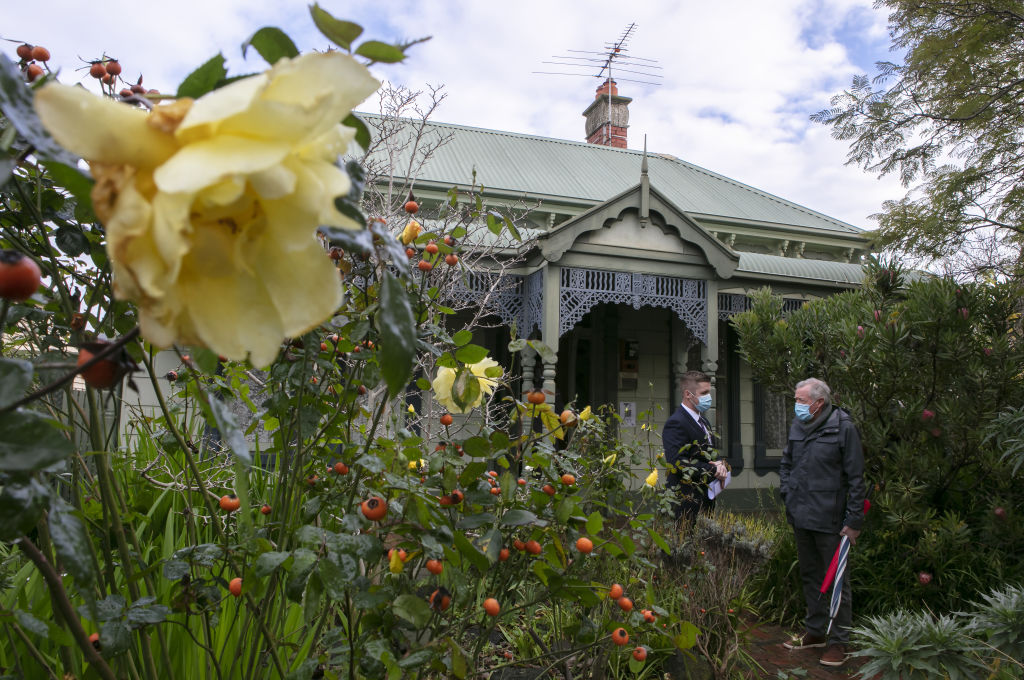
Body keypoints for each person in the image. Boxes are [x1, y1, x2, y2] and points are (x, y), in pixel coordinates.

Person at [780, 378, 866, 668]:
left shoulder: (844, 428)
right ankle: (815, 631)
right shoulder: (797, 426)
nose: (797, 405)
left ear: (818, 403)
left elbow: (856, 479)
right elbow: (786, 464)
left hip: (831, 520)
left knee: (837, 583)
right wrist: (787, 496)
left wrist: (853, 522)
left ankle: (838, 642)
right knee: (811, 577)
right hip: (801, 516)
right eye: (796, 399)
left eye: (801, 400)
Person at [662, 370, 728, 521]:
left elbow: (710, 453)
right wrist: (714, 469)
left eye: (709, 392)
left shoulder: (704, 422)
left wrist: (721, 464)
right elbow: (677, 462)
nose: (709, 398)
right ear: (687, 394)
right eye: (704, 393)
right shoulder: (676, 422)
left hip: (706, 499)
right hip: (685, 502)